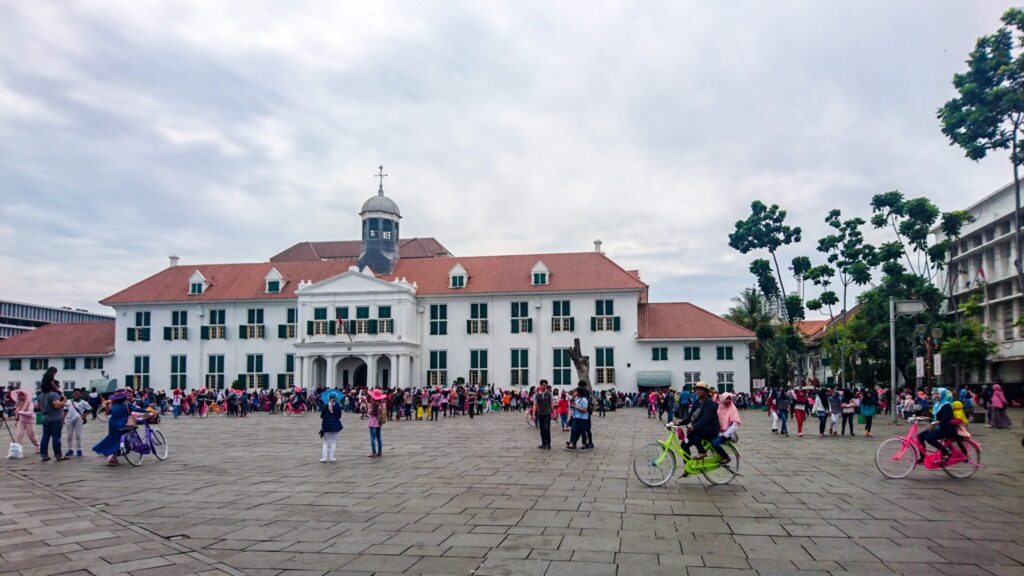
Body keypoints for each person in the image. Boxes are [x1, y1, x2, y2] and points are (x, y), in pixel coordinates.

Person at [677, 381, 719, 466]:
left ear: (706, 392)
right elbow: (689, 416)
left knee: (693, 432)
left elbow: (705, 419)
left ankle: (702, 451)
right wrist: (679, 423)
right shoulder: (697, 402)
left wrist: (694, 427)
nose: (698, 391)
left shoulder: (709, 403)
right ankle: (688, 466)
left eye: (701, 390)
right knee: (684, 444)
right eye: (697, 389)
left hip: (711, 428)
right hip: (701, 428)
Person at [917, 387, 957, 463]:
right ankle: (923, 457)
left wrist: (933, 423)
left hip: (947, 429)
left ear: (943, 395)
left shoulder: (947, 405)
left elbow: (945, 419)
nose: (935, 395)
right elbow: (933, 417)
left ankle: (945, 452)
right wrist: (922, 418)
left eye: (938, 394)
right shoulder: (937, 404)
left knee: (929, 438)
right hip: (938, 427)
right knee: (920, 436)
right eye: (935, 394)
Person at [92, 389, 131, 466]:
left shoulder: (113, 404)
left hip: (112, 423)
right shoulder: (126, 404)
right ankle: (112, 457)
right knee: (118, 440)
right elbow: (137, 409)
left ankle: (113, 455)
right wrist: (147, 411)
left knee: (112, 438)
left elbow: (107, 413)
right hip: (121, 424)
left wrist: (107, 405)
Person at [38, 370, 67, 462]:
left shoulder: (41, 395)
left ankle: (44, 455)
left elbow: (38, 407)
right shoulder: (53, 394)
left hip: (45, 418)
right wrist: (64, 400)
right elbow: (57, 405)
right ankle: (58, 455)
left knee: (45, 437)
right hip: (55, 418)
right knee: (56, 437)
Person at [711, 392, 741, 464]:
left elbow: (735, 423)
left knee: (714, 443)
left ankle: (726, 457)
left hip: (727, 433)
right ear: (722, 399)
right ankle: (718, 455)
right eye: (726, 399)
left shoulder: (732, 408)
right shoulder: (720, 407)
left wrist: (726, 434)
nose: (728, 401)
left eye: (729, 399)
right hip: (719, 431)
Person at [11, 388, 39, 454]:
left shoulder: (30, 403)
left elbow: (30, 413)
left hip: (30, 421)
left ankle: (38, 445)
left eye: (22, 395)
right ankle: (18, 449)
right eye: (20, 395)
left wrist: (21, 412)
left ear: (25, 395)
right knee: (19, 434)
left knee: (31, 435)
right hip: (21, 420)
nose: (21, 397)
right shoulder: (19, 403)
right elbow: (17, 412)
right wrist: (17, 418)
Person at [63, 389, 90, 457]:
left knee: (78, 435)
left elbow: (90, 409)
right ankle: (70, 449)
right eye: (74, 393)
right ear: (72, 394)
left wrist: (84, 416)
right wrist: (63, 419)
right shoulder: (68, 401)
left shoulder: (84, 402)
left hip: (78, 420)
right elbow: (65, 411)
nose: (76, 394)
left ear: (80, 394)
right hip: (69, 420)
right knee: (69, 436)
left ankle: (79, 449)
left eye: (77, 393)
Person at [319, 391, 343, 463]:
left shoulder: (325, 406)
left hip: (326, 425)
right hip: (335, 425)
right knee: (333, 442)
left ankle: (324, 458)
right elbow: (339, 416)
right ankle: (332, 458)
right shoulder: (338, 406)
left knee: (326, 442)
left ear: (328, 398)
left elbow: (322, 416)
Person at [564, 386, 590, 450]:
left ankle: (584, 444)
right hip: (575, 417)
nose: (574, 392)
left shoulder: (584, 400)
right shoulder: (576, 399)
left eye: (576, 391)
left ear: (579, 392)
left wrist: (576, 407)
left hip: (582, 418)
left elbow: (584, 409)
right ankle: (572, 444)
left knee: (582, 431)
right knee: (573, 430)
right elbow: (574, 407)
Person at [534, 380, 553, 449]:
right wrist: (533, 415)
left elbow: (551, 404)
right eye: (544, 385)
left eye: (546, 385)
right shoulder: (536, 394)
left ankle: (548, 443)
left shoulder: (549, 394)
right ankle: (543, 443)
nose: (545, 386)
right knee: (542, 429)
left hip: (547, 413)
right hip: (540, 414)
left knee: (546, 428)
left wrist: (553, 413)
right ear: (540, 385)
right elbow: (535, 405)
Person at [368, 389, 385, 457]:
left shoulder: (374, 404)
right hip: (379, 422)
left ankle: (374, 452)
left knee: (373, 438)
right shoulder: (381, 403)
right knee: (379, 438)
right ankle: (380, 452)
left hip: (373, 422)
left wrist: (369, 409)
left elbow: (371, 414)